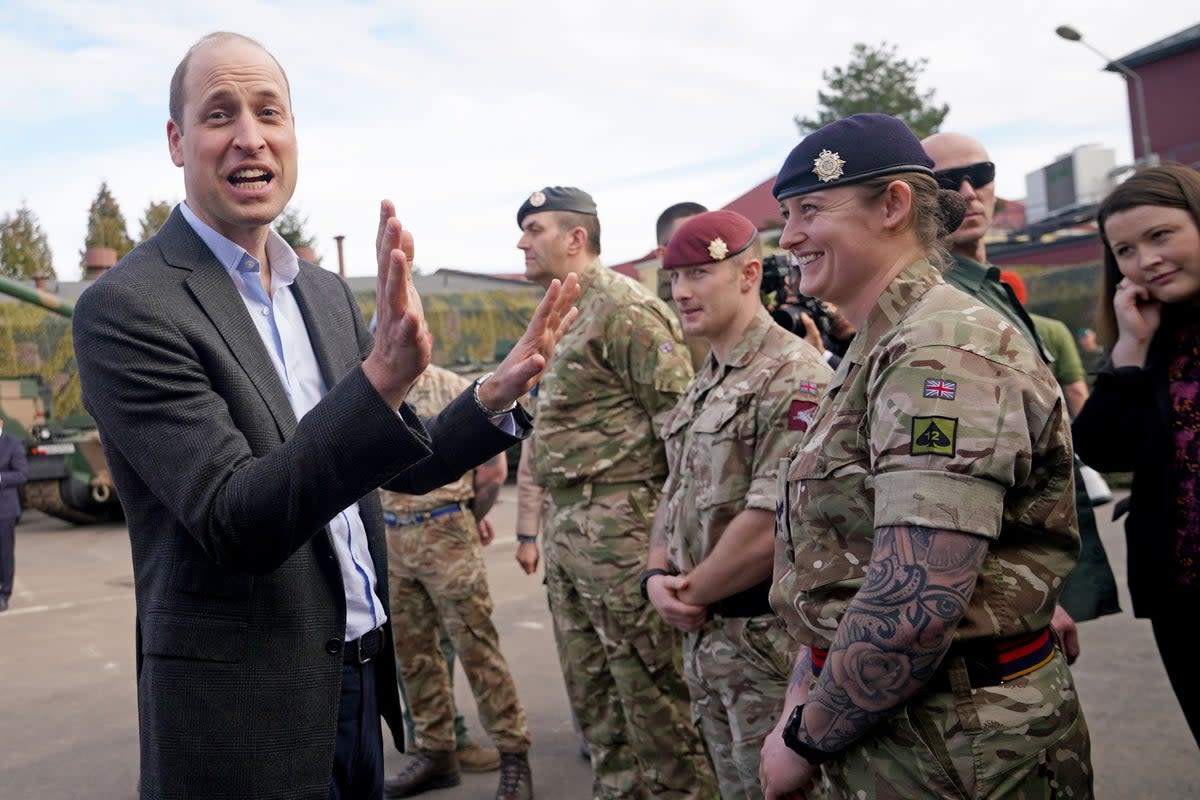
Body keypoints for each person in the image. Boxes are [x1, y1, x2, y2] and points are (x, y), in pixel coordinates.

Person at [70, 32, 579, 800]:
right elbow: (239, 517)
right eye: (219, 114)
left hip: (358, 682)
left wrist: (490, 399)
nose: (250, 136)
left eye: (269, 111)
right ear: (177, 142)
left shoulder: (322, 293)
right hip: (244, 714)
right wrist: (378, 382)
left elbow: (374, 466)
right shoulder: (128, 308)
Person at [759, 113, 1092, 799]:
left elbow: (917, 601)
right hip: (898, 725)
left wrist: (804, 738)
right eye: (786, 214)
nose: (789, 236)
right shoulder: (885, 345)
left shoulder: (938, 350)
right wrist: (806, 689)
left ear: (893, 206)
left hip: (957, 742)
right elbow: (838, 561)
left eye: (810, 210)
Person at [512, 186, 716, 799]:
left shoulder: (626, 309)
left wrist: (674, 553)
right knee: (597, 704)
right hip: (572, 533)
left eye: (535, 228)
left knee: (657, 711)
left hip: (626, 535)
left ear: (577, 238)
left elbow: (681, 435)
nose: (522, 241)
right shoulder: (560, 311)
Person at [644, 210, 832, 799]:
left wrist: (689, 593)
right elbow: (675, 489)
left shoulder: (794, 373)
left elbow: (771, 522)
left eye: (699, 273)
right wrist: (655, 574)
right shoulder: (709, 377)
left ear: (750, 273)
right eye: (674, 277)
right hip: (708, 640)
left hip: (765, 647)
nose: (681, 291)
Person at [924, 130, 1119, 629]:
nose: (968, 193)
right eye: (947, 181)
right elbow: (948, 478)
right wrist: (1024, 591)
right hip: (1008, 590)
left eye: (981, 176)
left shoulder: (993, 290)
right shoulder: (939, 307)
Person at [1073, 162, 1200, 748]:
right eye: (1124, 249)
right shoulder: (1156, 339)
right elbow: (1096, 447)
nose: (1145, 259)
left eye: (1161, 235)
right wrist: (1129, 348)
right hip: (1182, 597)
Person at [381, 363, 532, 800]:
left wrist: (469, 520)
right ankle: (437, 753)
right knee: (414, 655)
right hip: (393, 537)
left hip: (446, 533)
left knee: (477, 649)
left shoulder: (454, 388)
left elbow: (491, 474)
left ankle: (513, 756)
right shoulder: (374, 389)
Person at [997, 270, 1090, 418]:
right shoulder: (1055, 329)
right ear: (1022, 297)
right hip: (1051, 422)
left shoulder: (985, 330)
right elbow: (1075, 390)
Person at [655, 201, 712, 371]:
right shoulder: (658, 318)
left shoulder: (725, 296)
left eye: (708, 240)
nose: (703, 250)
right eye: (689, 242)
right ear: (663, 254)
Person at [0, 415, 28, 612]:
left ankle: (4, 594)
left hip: (4, 509)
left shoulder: (13, 444)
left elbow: (22, 474)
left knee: (4, 554)